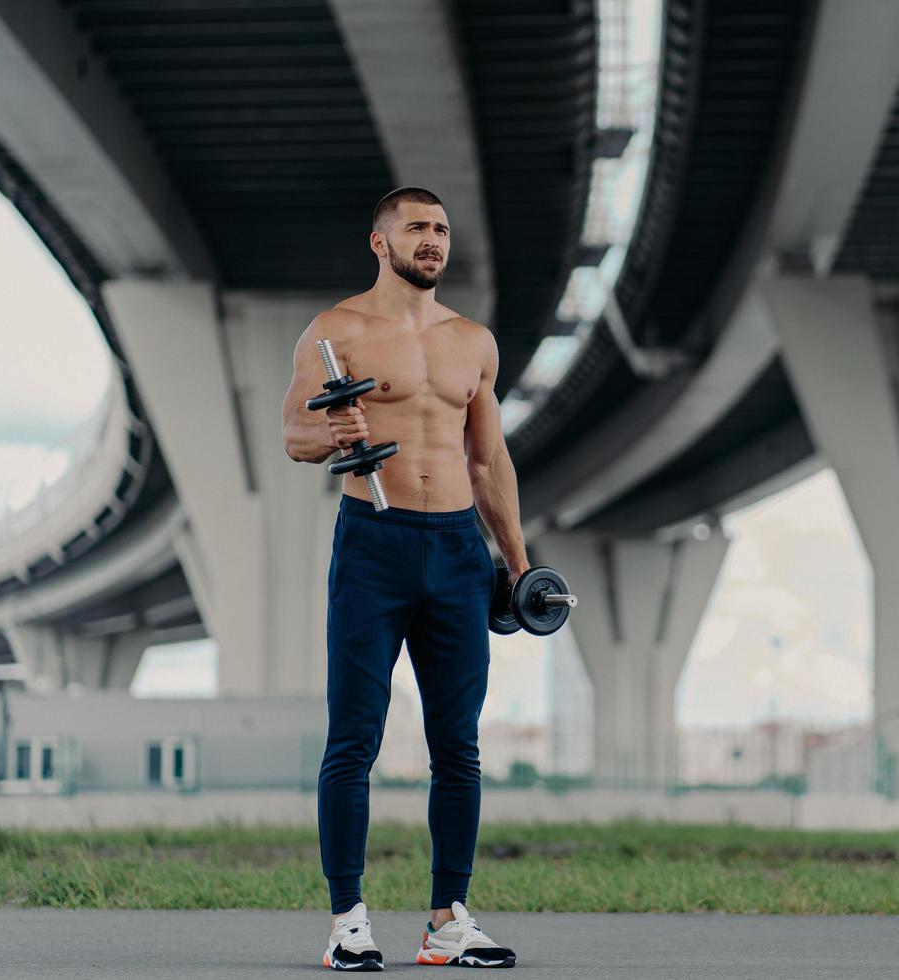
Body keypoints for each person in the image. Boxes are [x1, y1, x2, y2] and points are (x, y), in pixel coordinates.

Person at [282, 186, 525, 970]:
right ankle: (347, 920)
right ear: (380, 243)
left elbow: (487, 460)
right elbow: (293, 433)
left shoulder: (472, 342)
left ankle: (448, 920)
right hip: (373, 543)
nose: (433, 241)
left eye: (442, 230)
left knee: (458, 746)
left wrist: (518, 566)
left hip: (457, 550)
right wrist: (331, 430)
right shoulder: (336, 331)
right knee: (353, 738)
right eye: (417, 228)